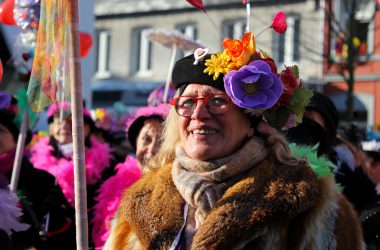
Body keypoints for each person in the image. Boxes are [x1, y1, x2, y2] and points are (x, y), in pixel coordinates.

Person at [105, 32, 364, 249]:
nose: (198, 114)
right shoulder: (141, 201)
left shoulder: (312, 206)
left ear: (251, 123)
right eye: (187, 103)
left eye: (217, 102)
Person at [29, 101, 114, 247]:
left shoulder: (106, 163)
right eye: (58, 120)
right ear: (50, 127)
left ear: (87, 129)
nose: (64, 126)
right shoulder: (34, 160)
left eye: (72, 121)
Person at [0, 93, 76, 250]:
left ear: (17, 139)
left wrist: (58, 223)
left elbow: (69, 238)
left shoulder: (42, 181)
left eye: (0, 130)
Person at [92, 103, 169, 249]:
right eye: (146, 139)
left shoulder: (177, 192)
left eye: (161, 142)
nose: (151, 149)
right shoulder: (115, 186)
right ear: (136, 144)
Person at [286, 92, 377, 213]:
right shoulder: (274, 156)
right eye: (301, 121)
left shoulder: (347, 175)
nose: (304, 133)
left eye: (313, 127)